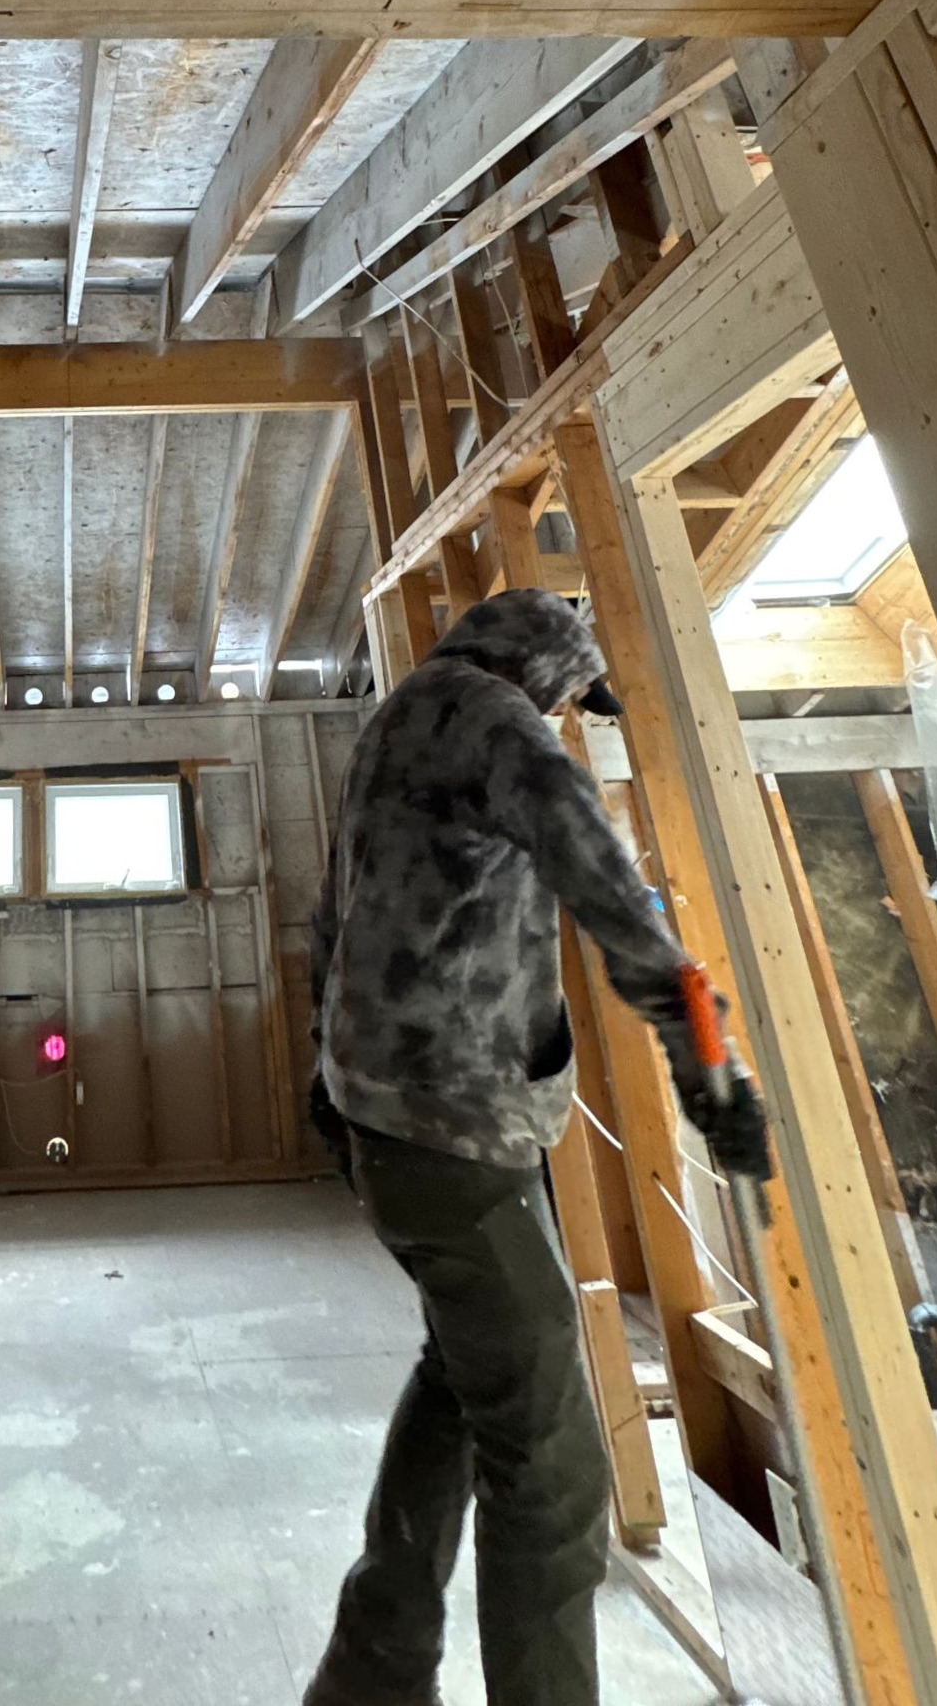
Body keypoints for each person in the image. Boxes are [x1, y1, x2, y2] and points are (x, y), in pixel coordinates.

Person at [304, 587, 770, 1706]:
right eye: (571, 696)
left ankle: (371, 1675)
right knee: (554, 1473)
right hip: (455, 1134)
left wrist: (320, 1075)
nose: (569, 714)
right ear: (545, 671)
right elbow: (597, 871)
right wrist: (705, 1062)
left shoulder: (398, 720)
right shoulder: (497, 723)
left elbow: (335, 913)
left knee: (465, 1384)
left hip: (384, 1118)